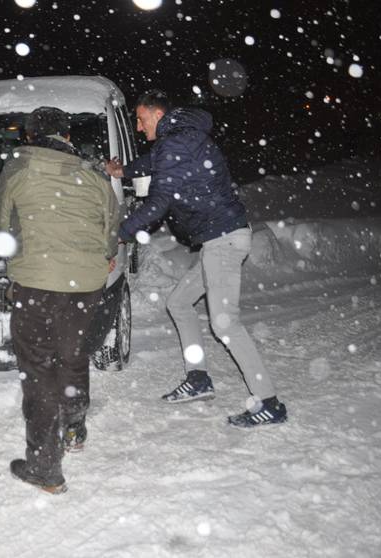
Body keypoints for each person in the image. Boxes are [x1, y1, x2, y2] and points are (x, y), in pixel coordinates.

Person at [106, 90, 287, 427]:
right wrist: (123, 171)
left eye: (140, 118)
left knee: (224, 322)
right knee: (179, 303)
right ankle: (199, 378)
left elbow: (158, 202)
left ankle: (269, 401)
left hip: (224, 241)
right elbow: (154, 162)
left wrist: (122, 232)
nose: (137, 124)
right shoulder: (178, 140)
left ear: (157, 114)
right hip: (218, 239)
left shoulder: (175, 144)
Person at [0, 106, 120, 494]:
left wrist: (18, 256)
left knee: (39, 368)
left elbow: (1, 225)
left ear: (31, 135)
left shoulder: (19, 168)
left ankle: (45, 467)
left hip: (37, 284)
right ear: (66, 135)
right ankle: (75, 429)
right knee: (73, 353)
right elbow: (112, 228)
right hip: (84, 284)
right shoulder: (93, 174)